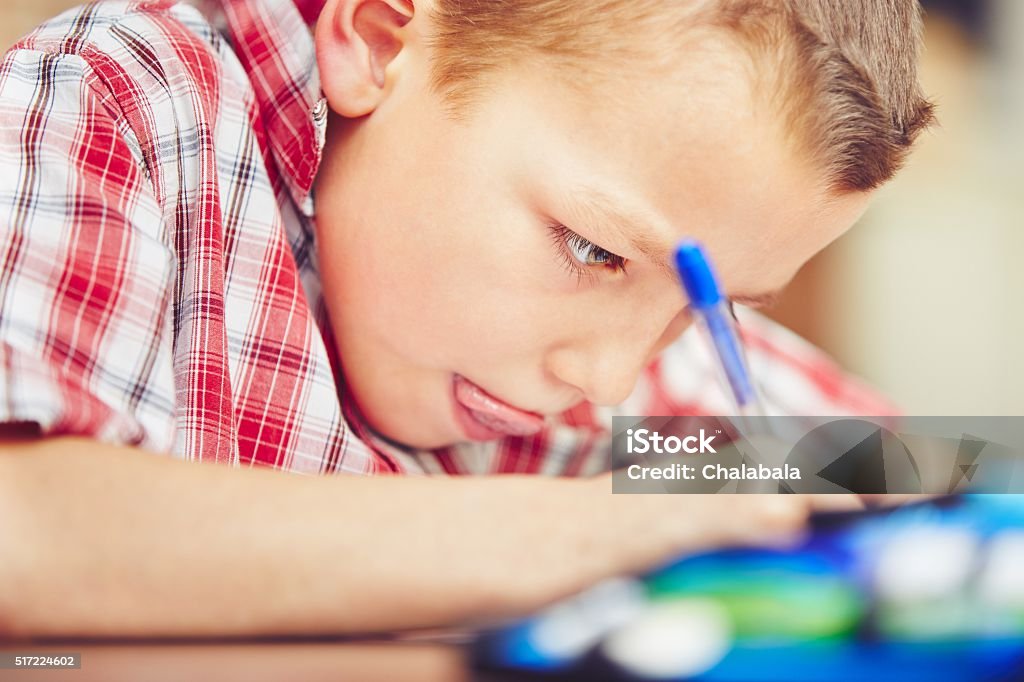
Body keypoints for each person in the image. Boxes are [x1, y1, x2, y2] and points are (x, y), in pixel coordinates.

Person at [0, 0, 933, 637]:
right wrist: (590, 527)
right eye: (592, 251)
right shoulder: (126, 100)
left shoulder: (595, 342)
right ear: (380, 40)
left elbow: (907, 461)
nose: (604, 384)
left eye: (707, 310)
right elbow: (27, 534)